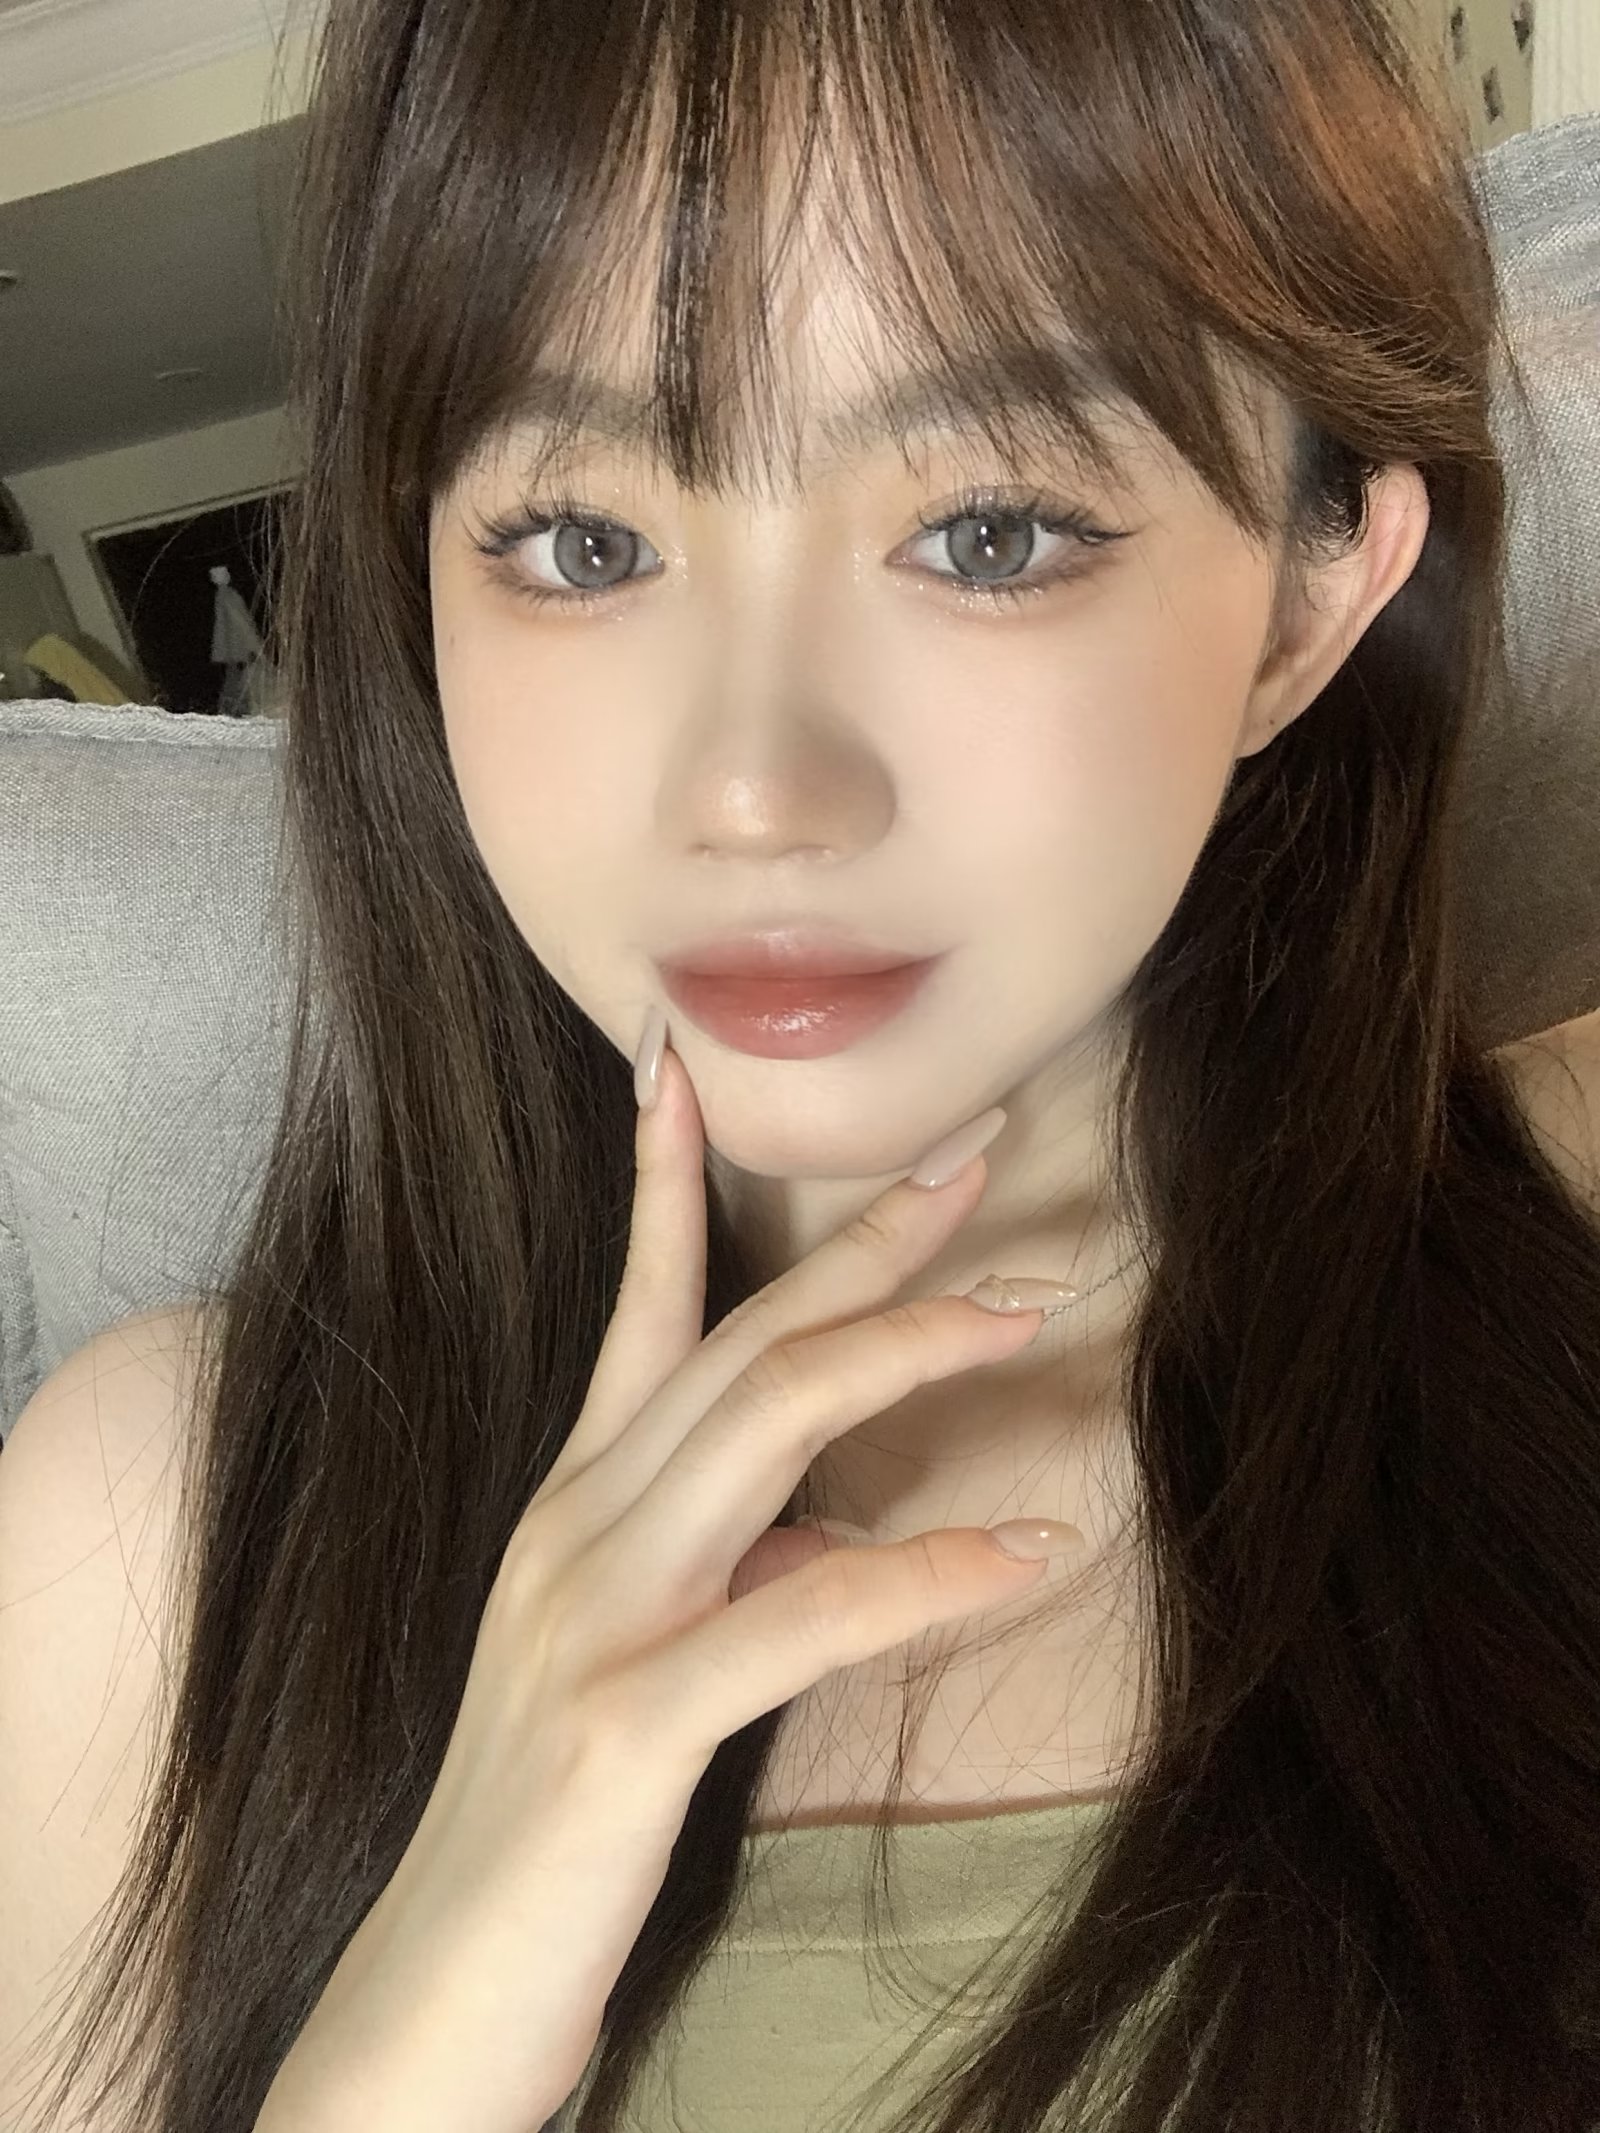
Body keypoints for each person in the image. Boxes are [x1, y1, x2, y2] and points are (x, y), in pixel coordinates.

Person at [5, 1, 1600, 2129]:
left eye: (989, 531)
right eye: (583, 541)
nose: (754, 789)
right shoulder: (156, 1538)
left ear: (1311, 601)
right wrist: (410, 2028)